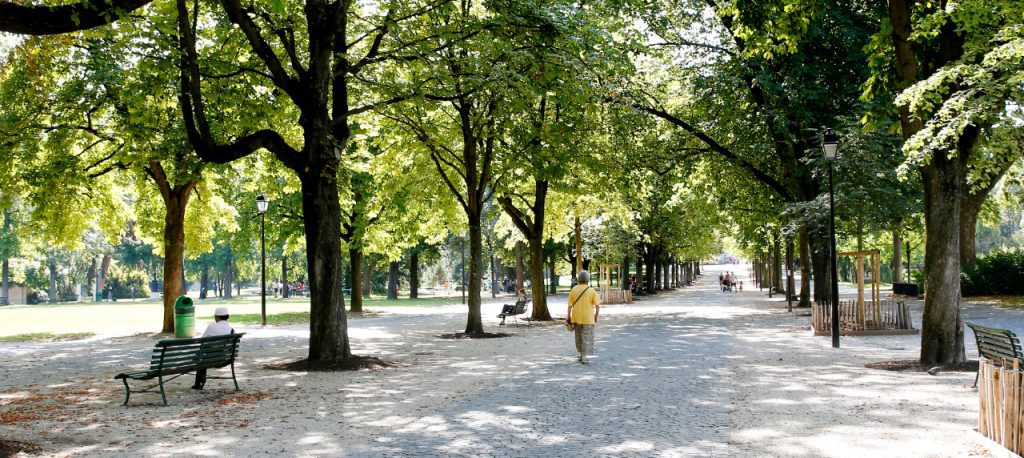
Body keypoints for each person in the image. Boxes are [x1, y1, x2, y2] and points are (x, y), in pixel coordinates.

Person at [192, 306, 234, 390]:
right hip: (226, 359)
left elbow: (202, 341)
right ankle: (199, 382)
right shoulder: (232, 330)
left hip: (211, 360)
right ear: (227, 317)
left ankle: (199, 383)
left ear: (217, 317)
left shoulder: (211, 327)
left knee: (201, 356)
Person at [566, 270, 600, 364]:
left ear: (579, 279)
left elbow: (570, 305)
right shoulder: (591, 290)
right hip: (588, 317)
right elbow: (597, 306)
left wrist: (568, 316)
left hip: (576, 317)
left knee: (578, 337)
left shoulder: (574, 289)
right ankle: (584, 356)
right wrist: (596, 316)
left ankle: (581, 354)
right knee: (586, 336)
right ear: (588, 279)